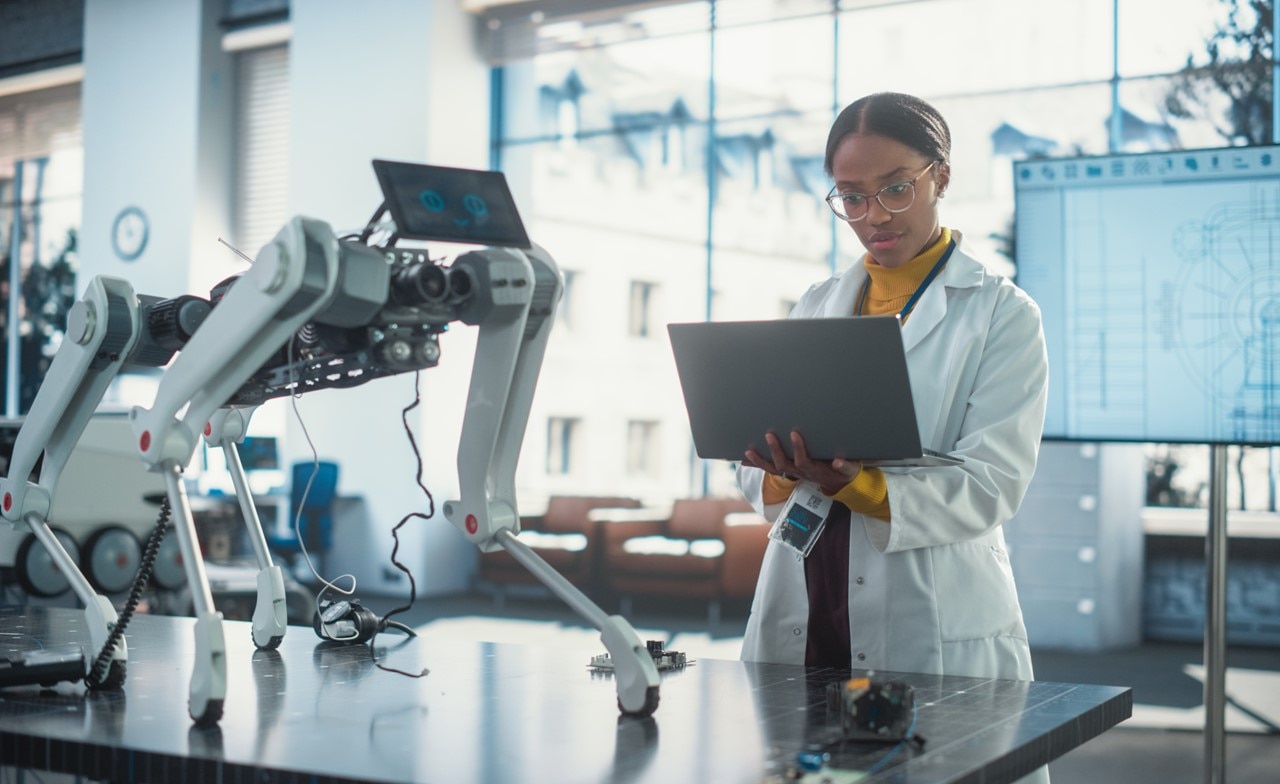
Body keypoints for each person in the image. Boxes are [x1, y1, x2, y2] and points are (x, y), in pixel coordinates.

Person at [736, 92, 1049, 685]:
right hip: (806, 589)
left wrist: (862, 486)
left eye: (896, 188)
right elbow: (753, 477)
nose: (874, 215)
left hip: (926, 610)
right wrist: (778, 467)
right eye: (852, 196)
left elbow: (993, 485)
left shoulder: (1001, 315)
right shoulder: (814, 306)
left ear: (942, 177)